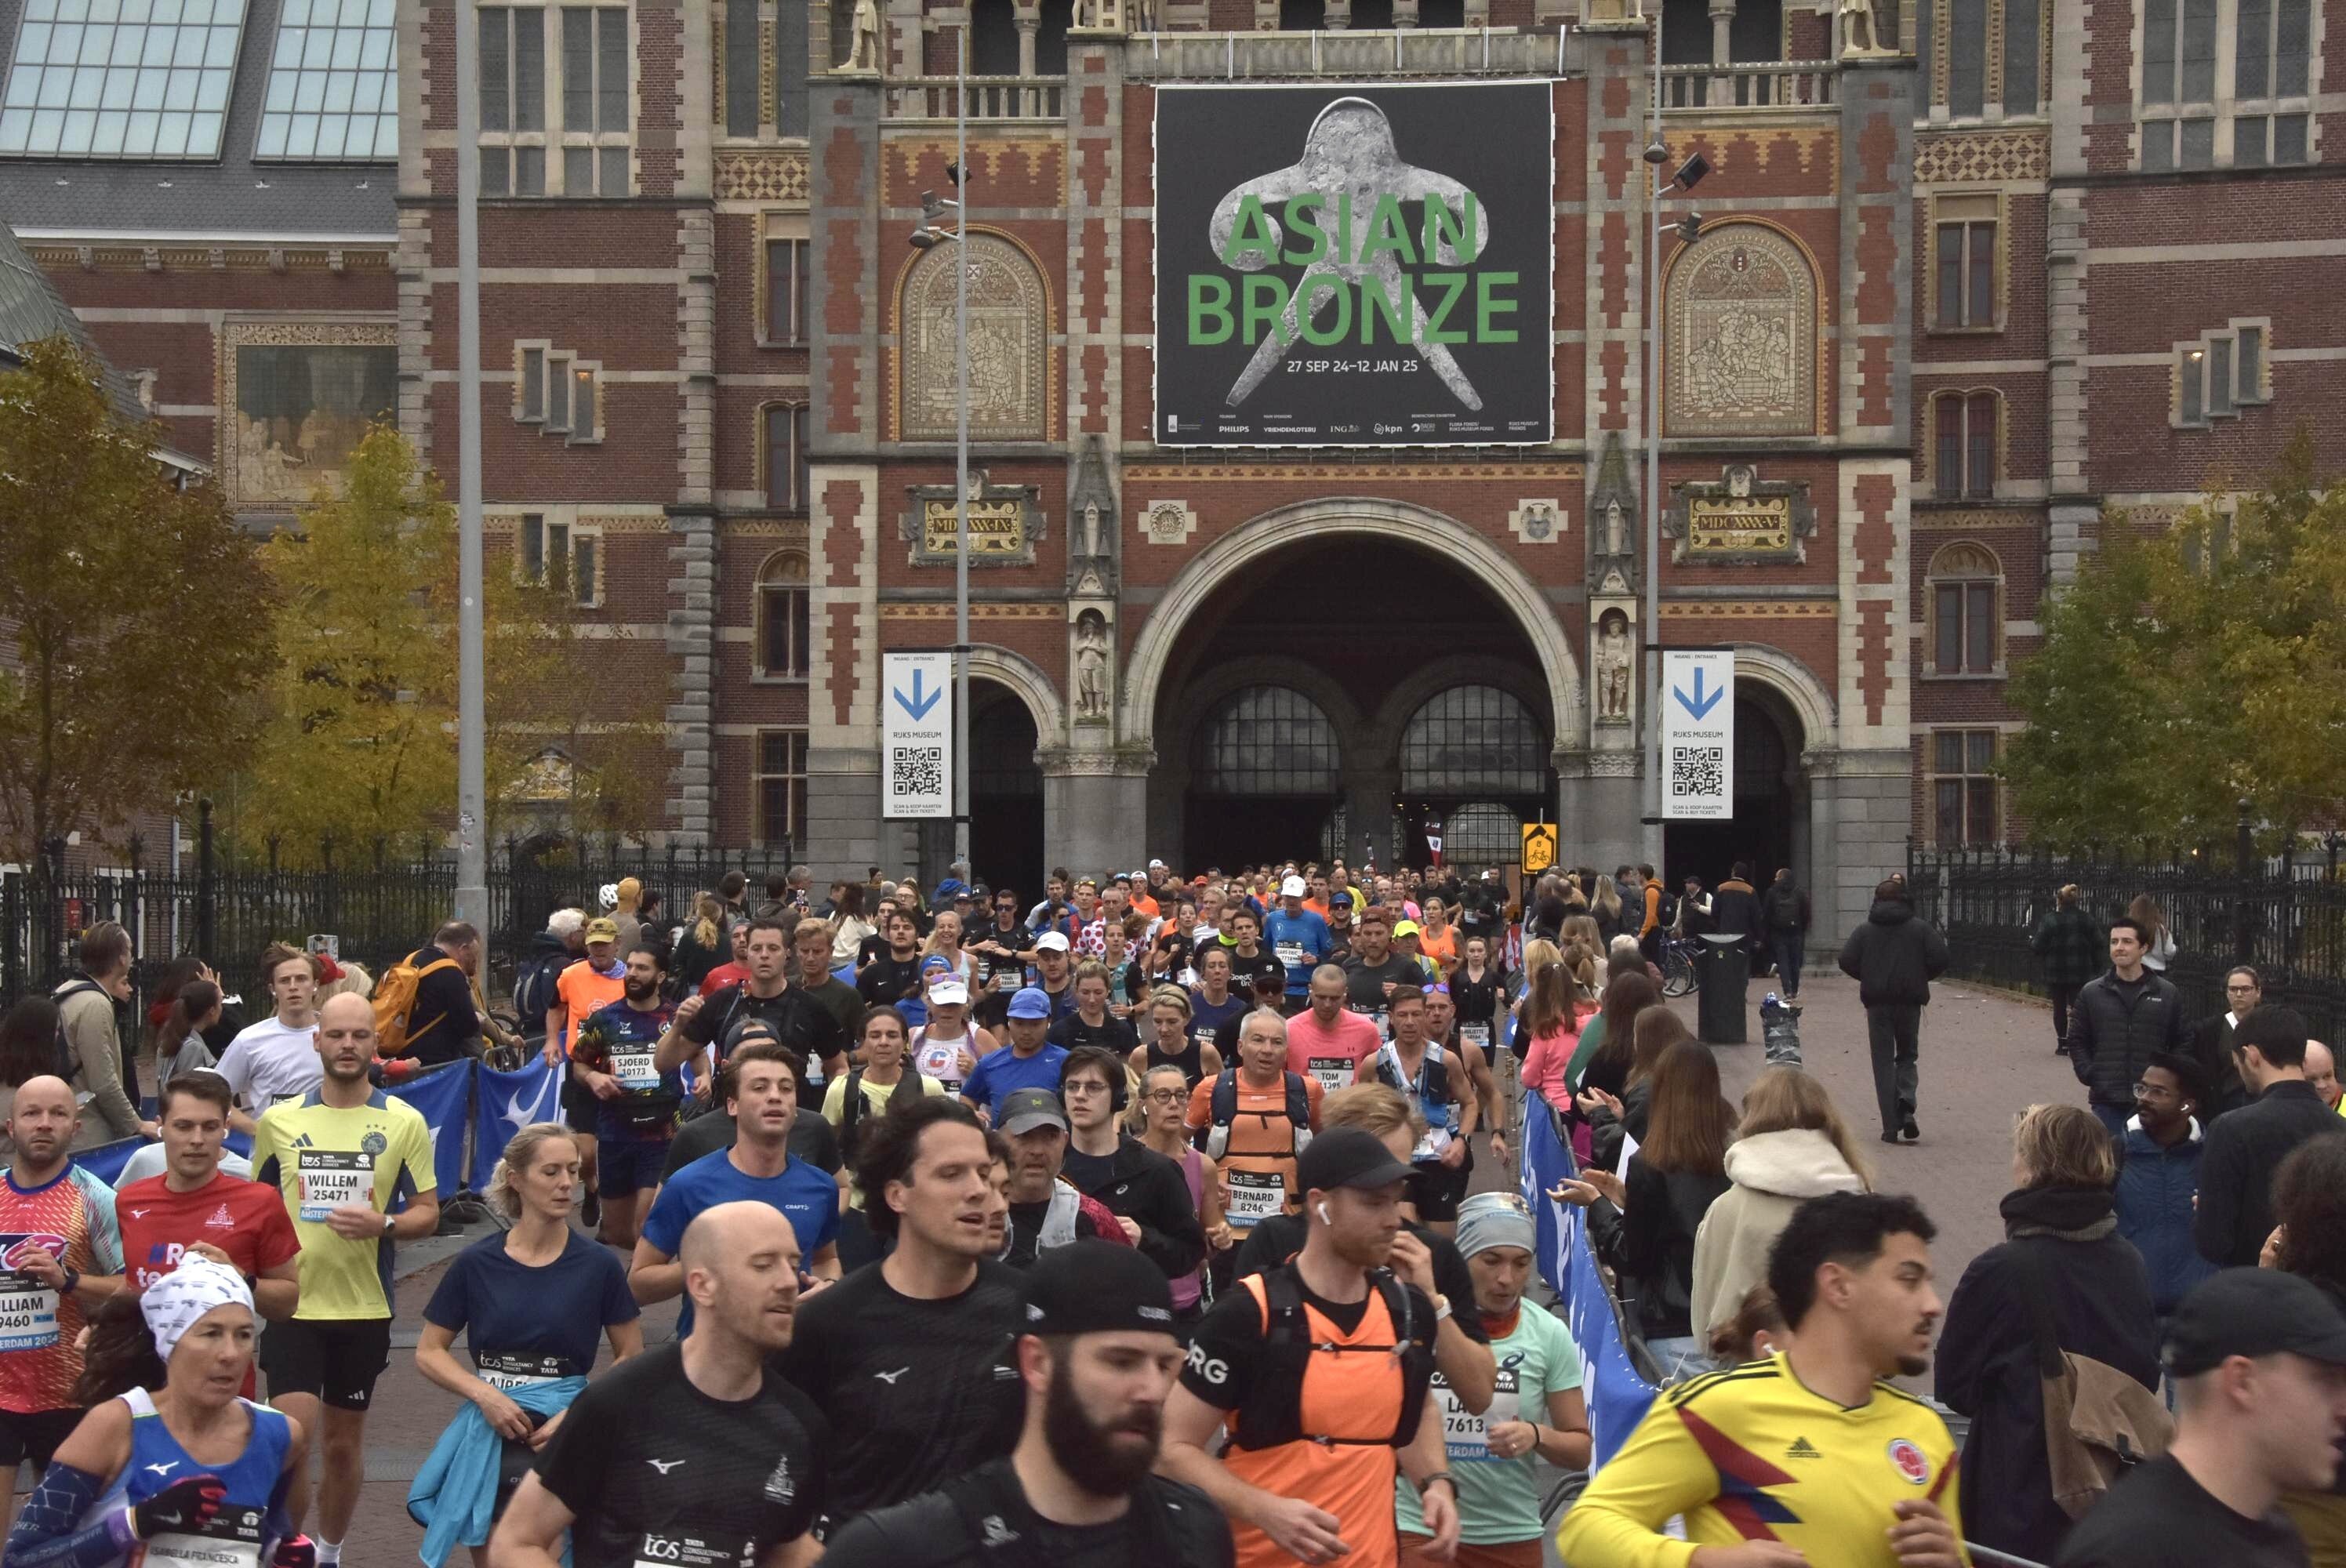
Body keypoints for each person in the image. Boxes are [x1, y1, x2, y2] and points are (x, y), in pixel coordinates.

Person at [1557, 1191, 1968, 1568]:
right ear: (1838, 1286)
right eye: (1909, 1280)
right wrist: (1702, 1561)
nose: (1933, 1304)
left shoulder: (1926, 1431)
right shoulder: (1717, 1410)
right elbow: (1586, 1528)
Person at [819, 1241, 1232, 1568]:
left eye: (1164, 1365)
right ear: (1037, 1363)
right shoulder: (901, 1551)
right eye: (1121, 1362)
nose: (1153, 1390)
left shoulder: (1195, 1530)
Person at [1160, 1127, 1460, 1568]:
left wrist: (1436, 1482)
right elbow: (1171, 1448)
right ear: (1321, 1205)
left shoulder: (1407, 1309)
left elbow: (1417, 1407)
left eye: (1395, 1202)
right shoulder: (1248, 1313)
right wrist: (1264, 1509)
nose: (1393, 1220)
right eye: (1373, 1203)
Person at [488, 1203, 829, 1568]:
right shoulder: (618, 1403)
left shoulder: (800, 1423)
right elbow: (516, 1543)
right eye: (763, 1265)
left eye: (793, 1264)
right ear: (702, 1285)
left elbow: (787, 1549)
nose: (788, 1282)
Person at [775, 1095, 1025, 1525]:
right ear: (897, 1195)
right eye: (951, 1174)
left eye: (984, 1174)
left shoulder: (1029, 1310)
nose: (979, 1191)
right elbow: (777, 1476)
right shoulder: (827, 1325)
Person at [249, 993, 438, 1555]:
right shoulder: (279, 1121)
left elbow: (428, 1213)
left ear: (375, 1044)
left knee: (340, 1446)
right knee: (291, 1441)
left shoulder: (403, 1121)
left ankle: (329, 1552)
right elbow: (257, 1209)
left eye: (359, 1035)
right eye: (336, 1035)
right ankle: (287, 1552)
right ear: (318, 1041)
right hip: (294, 1304)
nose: (347, 1045)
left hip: (364, 1307)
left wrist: (383, 1223)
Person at [1936, 1102, 2162, 1563]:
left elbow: (1954, 1386)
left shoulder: (2001, 1269)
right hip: (2111, 1490)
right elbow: (2145, 1373)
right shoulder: (2129, 1261)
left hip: (2017, 1492)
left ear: (2033, 1167)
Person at [412, 1125, 641, 1568]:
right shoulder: (476, 1262)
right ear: (516, 1179)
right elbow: (428, 1350)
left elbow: (631, 1355)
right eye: (551, 1172)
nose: (566, 1184)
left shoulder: (599, 1266)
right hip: (492, 1433)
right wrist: (485, 1396)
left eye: (573, 1171)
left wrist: (578, 1415)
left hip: (563, 1434)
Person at [2, 1261, 308, 1568]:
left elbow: (268, 1536)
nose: (230, 1353)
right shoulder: (116, 1425)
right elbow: (21, 1560)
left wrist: (282, 1555)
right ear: (169, 1342)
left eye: (243, 1335)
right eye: (211, 1333)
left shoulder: (280, 1434)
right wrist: (138, 1522)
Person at [2052, 1268, 2346, 1568]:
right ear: (2243, 1382)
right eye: (2324, 1380)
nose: (2343, 1409)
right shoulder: (2126, 1552)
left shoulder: (2280, 1535)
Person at [1396, 1192, 1589, 1568]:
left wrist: (1536, 1434)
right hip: (1420, 1526)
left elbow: (1580, 1450)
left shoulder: (1548, 1332)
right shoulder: (1413, 1317)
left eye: (1521, 1263)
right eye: (1491, 1260)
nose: (1506, 1279)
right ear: (1462, 1258)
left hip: (1509, 1532)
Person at [1555, 1039, 1737, 1379]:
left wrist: (1598, 1205)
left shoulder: (1651, 1164)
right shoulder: (1732, 1159)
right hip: (1725, 1323)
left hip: (1672, 1326)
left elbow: (1631, 1256)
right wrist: (1625, 1199)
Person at [631, 1041, 841, 1337]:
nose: (775, 1096)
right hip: (711, 1355)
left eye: (786, 1088)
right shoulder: (688, 1185)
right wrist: (707, 1264)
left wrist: (829, 1286)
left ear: (795, 1107)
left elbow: (825, 1259)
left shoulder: (820, 1186)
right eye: (759, 1087)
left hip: (795, 1352)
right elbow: (638, 1284)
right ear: (732, 1105)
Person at [115, 1076, 299, 1359]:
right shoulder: (130, 1200)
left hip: (222, 1376)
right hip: (141, 1376)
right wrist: (103, 1325)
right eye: (184, 1126)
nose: (197, 1140)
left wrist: (238, 1277)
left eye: (210, 1127)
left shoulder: (260, 1201)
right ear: (161, 1127)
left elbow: (287, 1304)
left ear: (226, 1128)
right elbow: (134, 1285)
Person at [0, 1076, 125, 1486]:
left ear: (75, 1127)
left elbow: (132, 1285)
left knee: (55, 1524)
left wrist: (68, 1280)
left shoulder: (95, 1197)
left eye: (58, 1114)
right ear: (11, 1126)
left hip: (66, 1388)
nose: (44, 1123)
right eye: (31, 1113)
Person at [1689, 1066, 1872, 1342]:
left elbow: (1706, 1314)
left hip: (1752, 1361)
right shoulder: (1860, 1201)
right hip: (1841, 1358)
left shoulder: (1728, 1208)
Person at [2198, 1005, 2346, 1268]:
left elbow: (2213, 1242)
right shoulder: (2340, 1127)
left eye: (2237, 1063)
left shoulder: (2230, 1129)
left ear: (2251, 1055)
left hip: (2254, 1283)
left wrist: (2207, 1209)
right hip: (2329, 1284)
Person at [660, 916, 847, 1105]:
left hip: (792, 1114)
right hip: (731, 1114)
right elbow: (663, 1062)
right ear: (747, 953)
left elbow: (839, 1069)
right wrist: (678, 1025)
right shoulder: (722, 1001)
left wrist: (834, 1113)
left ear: (787, 954)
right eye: (757, 948)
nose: (764, 955)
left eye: (773, 948)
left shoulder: (809, 1006)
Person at [565, 945, 680, 1250]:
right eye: (629, 966)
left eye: (642, 968)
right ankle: (644, 1265)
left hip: (662, 1132)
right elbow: (579, 1065)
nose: (632, 973)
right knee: (617, 1232)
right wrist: (593, 1077)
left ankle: (644, 1273)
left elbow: (696, 1055)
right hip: (616, 1132)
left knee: (646, 1221)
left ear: (661, 976)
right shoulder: (605, 1019)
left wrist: (704, 1076)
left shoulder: (675, 1016)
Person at [1056, 1048, 1205, 1281]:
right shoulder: (1050, 1166)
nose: (1080, 1096)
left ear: (1119, 1098)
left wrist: (1143, 1239)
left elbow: (1190, 1252)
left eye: (1094, 1087)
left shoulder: (1155, 1170)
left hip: (1129, 1298)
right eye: (1073, 1087)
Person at [1186, 1009, 1324, 1258]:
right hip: (1227, 1229)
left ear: (1286, 1051)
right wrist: (1205, 1185)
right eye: (1258, 1040)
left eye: (1277, 1042)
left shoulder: (1308, 1090)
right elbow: (1176, 1146)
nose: (1267, 1050)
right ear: (1240, 1046)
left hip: (1289, 1226)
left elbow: (1323, 1146)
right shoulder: (1211, 1088)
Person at [1837, 877, 1952, 1145]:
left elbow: (1846, 960)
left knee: (1882, 1062)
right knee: (1907, 1055)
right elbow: (1942, 958)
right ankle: (1906, 1104)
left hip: (1878, 1004)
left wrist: (1869, 976)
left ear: (1876, 900)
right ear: (1905, 899)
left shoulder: (1865, 931)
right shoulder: (1919, 928)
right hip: (1910, 1002)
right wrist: (1920, 976)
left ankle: (1890, 1126)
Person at [2114, 1052, 2221, 1323]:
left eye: (2158, 1092)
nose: (2144, 1098)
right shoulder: (2114, 1153)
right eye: (2142, 1088)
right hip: (2131, 1310)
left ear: (2187, 1105)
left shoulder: (2215, 1156)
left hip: (2200, 1313)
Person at [2068, 917, 2190, 1141]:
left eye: (2127, 941)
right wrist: (2090, 1073)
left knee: (2148, 1156)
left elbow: (2183, 1039)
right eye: (2114, 942)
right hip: (2107, 1099)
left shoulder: (2166, 993)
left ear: (2143, 948)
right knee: (2108, 1158)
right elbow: (2077, 1039)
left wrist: (2168, 1076)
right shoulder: (2092, 993)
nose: (2119, 947)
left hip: (2152, 1100)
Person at [1368, 986, 1476, 1236]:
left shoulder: (1446, 1060)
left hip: (1438, 1159)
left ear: (1424, 1016)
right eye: (1402, 1015)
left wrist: (1461, 1141)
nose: (1409, 1022)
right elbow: (1359, 1113)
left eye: (1416, 1014)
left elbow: (1470, 1103)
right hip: (1396, 1161)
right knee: (1407, 1232)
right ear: (1391, 1017)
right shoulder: (1374, 1063)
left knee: (1441, 1242)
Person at [996, 1089, 1131, 1265]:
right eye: (1024, 1136)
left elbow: (1130, 1277)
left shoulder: (1091, 1217)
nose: (1037, 1150)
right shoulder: (976, 1214)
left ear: (1065, 1141)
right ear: (999, 1141)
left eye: (1050, 1137)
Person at [47, 922, 149, 1150]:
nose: (131, 958)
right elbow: (103, 1081)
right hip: (88, 1130)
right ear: (121, 958)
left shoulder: (65, 991)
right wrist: (137, 1125)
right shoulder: (96, 1004)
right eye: (130, 951)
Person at [1133, 1065, 1221, 1323]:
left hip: (1185, 1301)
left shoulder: (1203, 1166)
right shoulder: (1124, 1158)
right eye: (1163, 1096)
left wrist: (1220, 1236)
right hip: (1132, 1298)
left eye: (1181, 1095)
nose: (1173, 1104)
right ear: (1143, 1104)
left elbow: (1208, 1242)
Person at [215, 946, 327, 1138]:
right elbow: (214, 1096)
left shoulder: (335, 1035)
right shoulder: (250, 1040)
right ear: (272, 989)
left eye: (301, 979)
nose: (293, 986)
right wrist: (257, 1130)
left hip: (325, 1148)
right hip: (270, 1151)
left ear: (315, 985)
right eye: (284, 981)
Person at [392, 920, 496, 1066]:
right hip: (435, 1060)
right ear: (463, 949)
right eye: (473, 956)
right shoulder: (451, 972)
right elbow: (467, 1027)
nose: (474, 961)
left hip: (403, 1055)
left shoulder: (411, 959)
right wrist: (476, 1019)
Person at [961, 987, 1070, 1125]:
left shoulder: (1066, 1062)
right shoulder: (989, 1063)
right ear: (1009, 1022)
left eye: (1035, 1024)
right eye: (1019, 1023)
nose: (1026, 1031)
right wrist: (972, 1115)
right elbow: (968, 1097)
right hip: (1003, 1137)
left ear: (1049, 1022)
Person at [1285, 965, 1380, 1095]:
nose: (1327, 1004)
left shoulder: (1366, 1029)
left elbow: (1377, 1077)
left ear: (1345, 993)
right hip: (1304, 1107)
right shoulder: (1289, 1030)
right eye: (1321, 997)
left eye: (1334, 998)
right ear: (1310, 990)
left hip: (1350, 1107)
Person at [2032, 885, 2104, 1056]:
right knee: (2078, 1007)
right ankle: (2078, 1041)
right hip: (2081, 970)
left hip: (2055, 970)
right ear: (2076, 901)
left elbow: (2038, 946)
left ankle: (2062, 1043)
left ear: (2059, 900)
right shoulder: (2087, 919)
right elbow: (2099, 942)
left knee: (2059, 1007)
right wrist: (2095, 964)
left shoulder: (2049, 920)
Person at [2191, 965, 2263, 1118]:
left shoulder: (2268, 1026)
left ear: (2258, 992)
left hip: (2260, 1103)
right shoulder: (2209, 1029)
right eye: (2233, 989)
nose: (2239, 994)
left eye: (2246, 989)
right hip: (2222, 1106)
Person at [908, 975, 990, 1097]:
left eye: (954, 1004)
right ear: (929, 1003)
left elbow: (1002, 1083)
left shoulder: (980, 1036)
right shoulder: (914, 1036)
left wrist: (976, 1073)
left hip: (964, 1109)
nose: (948, 1010)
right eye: (941, 1003)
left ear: (965, 1005)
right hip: (922, 1108)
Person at [1262, 875, 1332, 1014]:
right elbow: (1266, 952)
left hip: (1306, 989)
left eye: (1295, 896)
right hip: (1279, 989)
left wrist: (1316, 959)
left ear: (1304, 896)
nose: (1291, 901)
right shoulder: (1273, 919)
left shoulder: (1316, 920)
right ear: (1283, 896)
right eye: (1288, 896)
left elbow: (1328, 952)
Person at [1128, 985, 1220, 1090]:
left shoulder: (1205, 1053)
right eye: (1158, 1021)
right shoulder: (1141, 1056)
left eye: (1172, 1022)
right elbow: (1132, 1097)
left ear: (1186, 1019)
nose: (1164, 1029)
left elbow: (1223, 1095)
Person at [793, 916, 864, 1046]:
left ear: (831, 952)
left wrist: (850, 1056)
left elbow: (867, 1042)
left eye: (817, 952)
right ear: (797, 950)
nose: (810, 958)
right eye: (804, 951)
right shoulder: (785, 989)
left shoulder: (848, 996)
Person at [1047, 962, 1142, 1056]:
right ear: (1076, 991)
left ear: (1108, 991)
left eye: (1098, 992)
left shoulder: (1122, 1031)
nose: (1092, 999)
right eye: (1085, 993)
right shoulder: (1059, 1032)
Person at [1760, 866, 1811, 1000]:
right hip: (1796, 931)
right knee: (1795, 961)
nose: (1774, 879)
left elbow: (1767, 913)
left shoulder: (1772, 892)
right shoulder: (1799, 892)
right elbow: (1806, 912)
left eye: (1777, 876)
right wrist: (1802, 927)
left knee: (1783, 961)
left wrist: (1766, 931)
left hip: (1778, 931)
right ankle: (1795, 990)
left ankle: (1787, 991)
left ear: (1781, 878)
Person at [1711, 862, 1763, 967]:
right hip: (1745, 934)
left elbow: (1714, 911)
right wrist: (1759, 936)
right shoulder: (1750, 891)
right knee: (1742, 963)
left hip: (1725, 932)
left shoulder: (1721, 888)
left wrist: (1719, 926)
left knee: (1725, 961)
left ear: (1733, 872)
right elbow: (1756, 916)